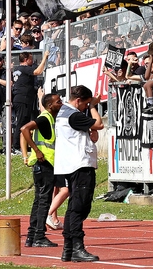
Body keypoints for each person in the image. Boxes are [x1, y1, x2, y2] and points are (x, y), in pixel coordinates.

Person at [55, 85, 104, 262]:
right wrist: (93, 106)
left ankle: (68, 248)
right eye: (85, 104)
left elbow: (92, 131)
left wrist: (90, 129)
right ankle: (77, 247)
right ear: (78, 101)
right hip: (79, 164)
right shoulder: (74, 115)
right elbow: (99, 124)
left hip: (70, 164)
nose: (86, 107)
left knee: (73, 208)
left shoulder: (64, 113)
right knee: (79, 207)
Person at [20, 92, 63, 248]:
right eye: (58, 102)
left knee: (39, 200)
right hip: (45, 164)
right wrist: (36, 151)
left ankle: (31, 236)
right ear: (50, 105)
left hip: (44, 165)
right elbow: (24, 129)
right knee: (44, 201)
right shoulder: (45, 117)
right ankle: (39, 236)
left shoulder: (49, 118)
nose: (61, 103)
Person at [12, 51, 48, 154]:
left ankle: (22, 145)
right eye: (31, 59)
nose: (32, 61)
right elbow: (37, 72)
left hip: (23, 98)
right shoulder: (24, 68)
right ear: (26, 59)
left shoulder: (17, 69)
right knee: (21, 123)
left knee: (25, 122)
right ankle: (16, 147)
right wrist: (44, 58)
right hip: (22, 99)